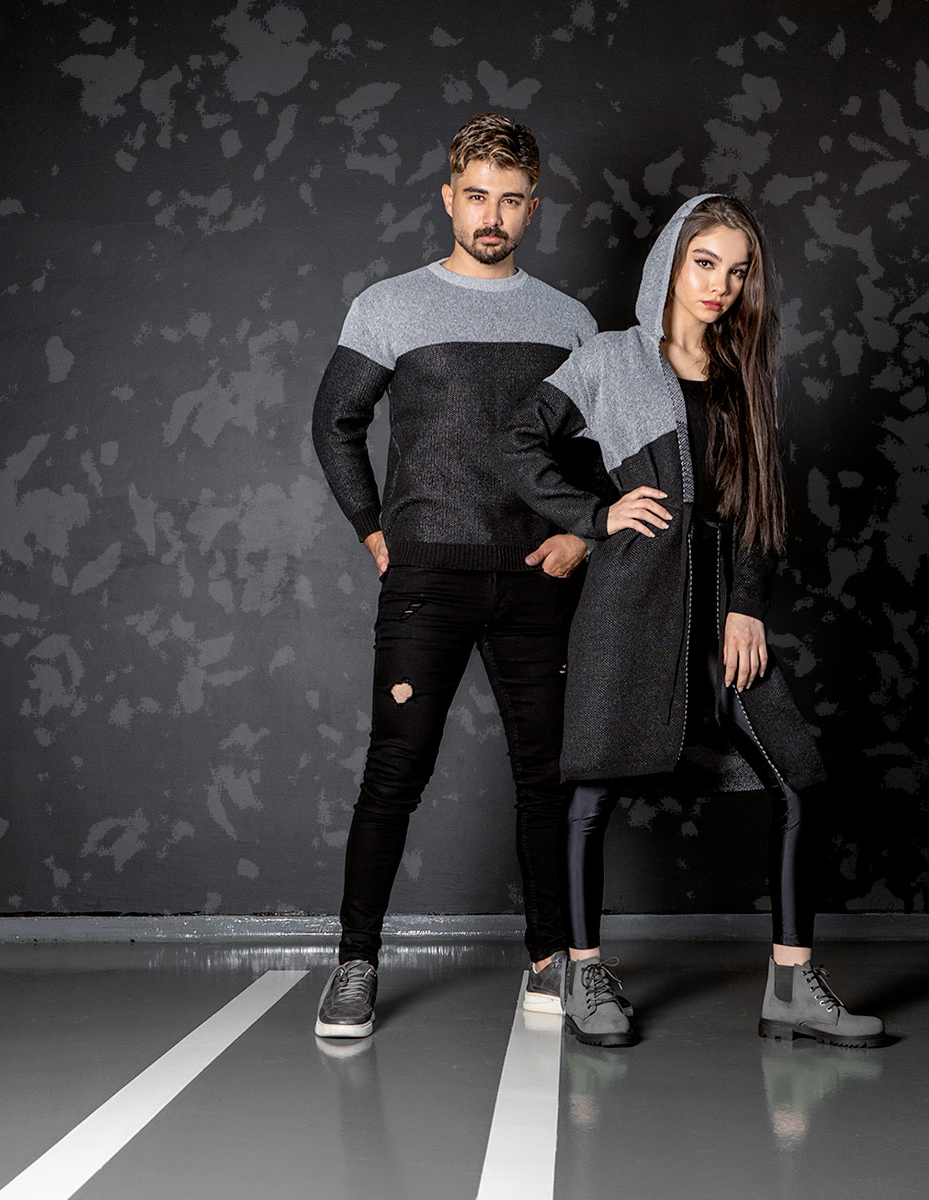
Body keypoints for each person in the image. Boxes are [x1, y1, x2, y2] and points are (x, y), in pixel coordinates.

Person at [504, 194, 885, 1049]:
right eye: (704, 263)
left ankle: (790, 986)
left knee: (798, 779)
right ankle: (583, 972)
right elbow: (516, 443)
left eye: (737, 272)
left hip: (720, 611)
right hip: (630, 604)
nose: (720, 285)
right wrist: (594, 516)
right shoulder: (609, 359)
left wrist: (747, 604)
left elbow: (756, 507)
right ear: (670, 263)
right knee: (591, 789)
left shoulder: (742, 376)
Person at [310, 113, 597, 1039]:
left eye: (511, 200)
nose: (492, 216)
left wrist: (583, 536)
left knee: (547, 777)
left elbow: (604, 449)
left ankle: (550, 959)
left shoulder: (569, 322)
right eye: (477, 196)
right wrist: (373, 529)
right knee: (394, 771)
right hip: (427, 579)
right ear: (448, 198)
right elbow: (335, 422)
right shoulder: (389, 307)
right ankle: (355, 964)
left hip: (536, 580)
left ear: (533, 207)